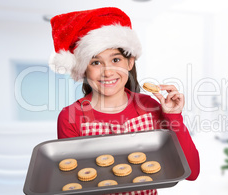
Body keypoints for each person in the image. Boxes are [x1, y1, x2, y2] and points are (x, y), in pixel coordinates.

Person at [49, 7, 200, 195]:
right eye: (95, 62)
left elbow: (192, 172)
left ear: (130, 63)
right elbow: (71, 183)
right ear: (83, 69)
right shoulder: (70, 117)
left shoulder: (150, 107)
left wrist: (173, 117)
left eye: (116, 59)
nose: (108, 71)